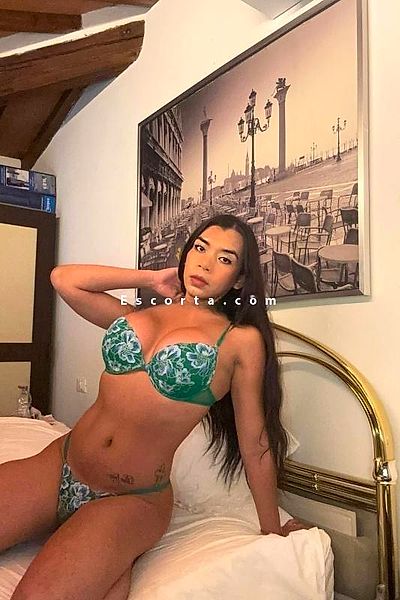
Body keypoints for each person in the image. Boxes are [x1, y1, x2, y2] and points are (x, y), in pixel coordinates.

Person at [1, 213, 309, 600]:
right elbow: (65, 279)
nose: (205, 263)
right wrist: (150, 278)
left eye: (224, 259)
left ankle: (111, 552)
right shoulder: (140, 313)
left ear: (239, 279)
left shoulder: (239, 341)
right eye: (200, 248)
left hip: (131, 498)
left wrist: (272, 530)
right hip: (62, 462)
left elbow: (256, 445)